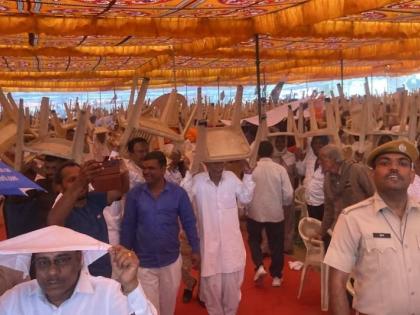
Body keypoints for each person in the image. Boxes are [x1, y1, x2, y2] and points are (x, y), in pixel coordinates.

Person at [325, 139, 420, 315]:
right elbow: (337, 283)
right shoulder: (352, 219)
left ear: (412, 175)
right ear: (371, 174)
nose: (394, 168)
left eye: (403, 163)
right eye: (385, 163)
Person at [0, 226, 157, 315]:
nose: (52, 271)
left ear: (79, 260)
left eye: (62, 260)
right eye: (43, 262)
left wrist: (131, 286)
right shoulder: (15, 299)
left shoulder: (109, 293)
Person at [121, 151, 200, 315]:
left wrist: (196, 249)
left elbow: (189, 222)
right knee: (150, 309)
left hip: (170, 261)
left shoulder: (178, 194)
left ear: (163, 169)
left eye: (152, 168)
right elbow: (128, 225)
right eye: (144, 168)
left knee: (168, 308)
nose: (146, 172)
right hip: (144, 263)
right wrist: (125, 254)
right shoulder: (135, 195)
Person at [182, 159, 255, 315]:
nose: (218, 165)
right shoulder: (198, 180)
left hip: (231, 248)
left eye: (221, 161)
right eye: (214, 161)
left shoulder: (231, 178)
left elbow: (246, 198)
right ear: (207, 162)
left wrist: (248, 174)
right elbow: (184, 197)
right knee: (211, 294)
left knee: (232, 293)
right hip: (209, 248)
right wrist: (189, 172)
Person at [48, 160, 129, 277]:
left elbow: (120, 191)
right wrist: (80, 181)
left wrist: (123, 172)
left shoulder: (94, 199)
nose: (81, 183)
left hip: (104, 274)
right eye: (72, 180)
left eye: (82, 178)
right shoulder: (61, 207)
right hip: (77, 278)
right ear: (59, 187)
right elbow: (53, 222)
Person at [247, 141, 293, 287]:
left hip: (255, 211)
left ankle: (259, 265)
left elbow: (246, 191)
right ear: (272, 152)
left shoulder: (252, 169)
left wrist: (245, 207)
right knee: (277, 244)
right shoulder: (279, 169)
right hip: (275, 212)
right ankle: (276, 277)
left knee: (254, 239)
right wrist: (283, 204)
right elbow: (289, 194)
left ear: (258, 153)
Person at [318, 144, 375, 249]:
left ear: (333, 159)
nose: (319, 162)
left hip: (361, 227)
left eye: (322, 159)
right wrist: (321, 232)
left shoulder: (356, 170)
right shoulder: (327, 179)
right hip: (339, 229)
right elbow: (328, 209)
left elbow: (374, 195)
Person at [295, 135, 329, 221]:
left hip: (323, 202)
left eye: (321, 143)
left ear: (326, 145)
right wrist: (298, 159)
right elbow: (301, 172)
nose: (318, 146)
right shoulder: (309, 156)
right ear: (312, 145)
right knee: (311, 226)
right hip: (309, 200)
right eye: (315, 143)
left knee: (323, 227)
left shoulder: (330, 160)